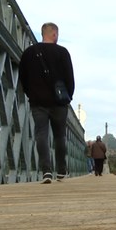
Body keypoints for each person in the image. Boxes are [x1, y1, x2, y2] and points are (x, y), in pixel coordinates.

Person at [19, 22, 75, 184]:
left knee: (41, 134)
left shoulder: (29, 53)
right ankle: (62, 171)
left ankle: (46, 172)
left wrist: (31, 93)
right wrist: (67, 96)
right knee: (59, 136)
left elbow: (23, 77)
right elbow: (70, 79)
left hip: (38, 101)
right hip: (59, 102)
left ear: (43, 33)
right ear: (54, 34)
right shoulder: (63, 52)